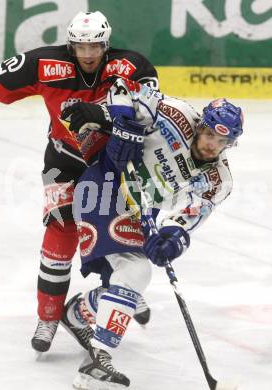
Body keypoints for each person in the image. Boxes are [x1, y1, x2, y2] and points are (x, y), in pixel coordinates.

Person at [0, 11, 159, 353]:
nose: (87, 54)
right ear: (70, 45)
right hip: (64, 162)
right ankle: (49, 317)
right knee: (61, 230)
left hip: (113, 165)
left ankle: (116, 290)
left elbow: (150, 111)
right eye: (80, 46)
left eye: (94, 45)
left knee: (119, 232)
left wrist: (105, 115)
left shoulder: (132, 66)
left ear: (105, 44)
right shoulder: (44, 63)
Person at [60, 77, 243, 389]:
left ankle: (78, 313)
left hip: (141, 208)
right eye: (209, 133)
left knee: (130, 279)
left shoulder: (218, 180)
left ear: (230, 144)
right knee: (136, 271)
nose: (211, 143)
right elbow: (122, 88)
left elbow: (188, 218)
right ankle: (96, 361)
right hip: (105, 185)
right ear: (201, 124)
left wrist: (171, 240)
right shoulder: (175, 114)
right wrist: (118, 120)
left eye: (221, 141)